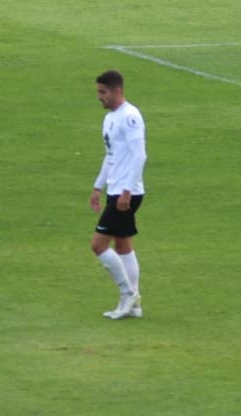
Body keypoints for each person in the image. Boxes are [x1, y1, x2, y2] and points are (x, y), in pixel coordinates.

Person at [91, 69, 147, 320]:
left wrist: (126, 191)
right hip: (116, 190)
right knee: (123, 245)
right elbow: (111, 155)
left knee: (98, 244)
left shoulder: (130, 117)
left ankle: (128, 294)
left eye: (103, 92)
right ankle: (134, 305)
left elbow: (139, 155)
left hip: (127, 193)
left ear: (117, 91)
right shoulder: (110, 118)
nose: (99, 97)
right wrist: (97, 187)